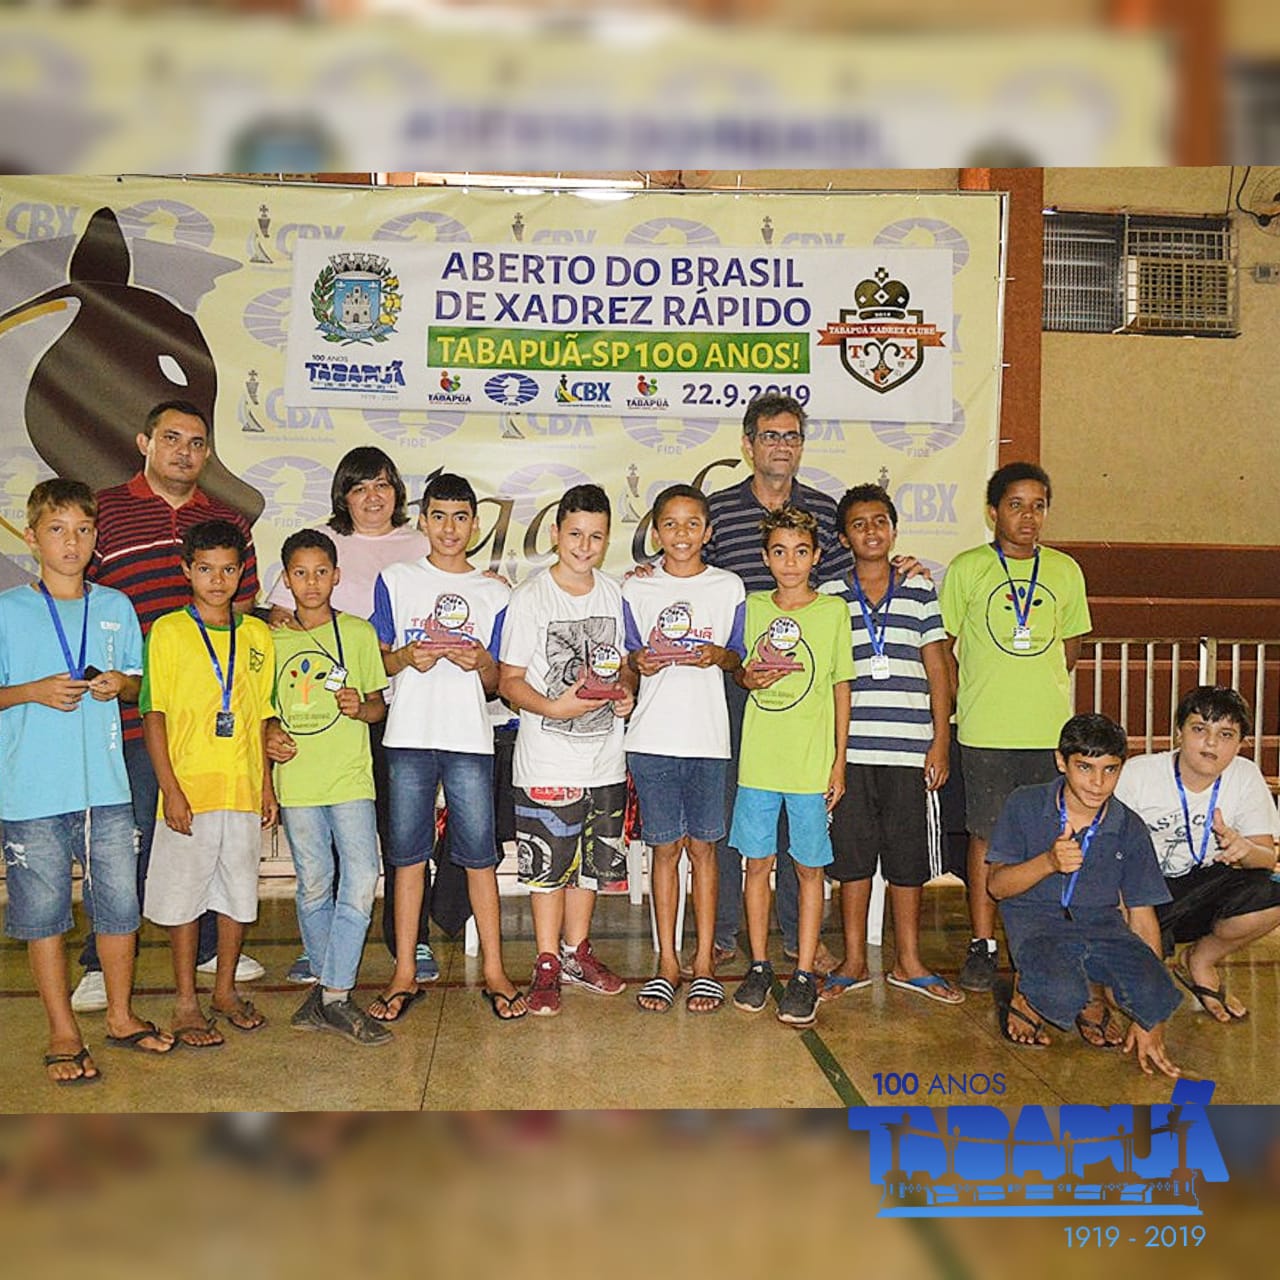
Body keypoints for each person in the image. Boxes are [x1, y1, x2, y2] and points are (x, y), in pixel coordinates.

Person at [72, 399, 263, 1015]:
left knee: (206, 841)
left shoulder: (228, 519)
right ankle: (101, 961)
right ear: (143, 442)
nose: (185, 451)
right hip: (127, 711)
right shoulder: (107, 510)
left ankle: (210, 950)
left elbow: (249, 612)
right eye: (172, 438)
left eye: (197, 442)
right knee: (123, 841)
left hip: (213, 726)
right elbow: (81, 594)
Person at [1, 480, 174, 1085]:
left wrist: (117, 685)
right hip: (31, 793)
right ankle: (62, 1030)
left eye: (82, 530)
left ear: (97, 538)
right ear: (32, 537)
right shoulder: (8, 610)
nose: (70, 542)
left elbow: (138, 681)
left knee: (120, 910)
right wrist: (31, 692)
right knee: (44, 915)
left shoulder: (115, 606)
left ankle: (122, 1018)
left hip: (107, 788)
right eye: (56, 529)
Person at [266, 446, 434, 986]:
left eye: (382, 485)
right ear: (343, 494)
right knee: (326, 846)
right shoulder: (322, 544)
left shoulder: (419, 543)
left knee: (401, 831)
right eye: (360, 486)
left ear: (397, 492)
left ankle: (413, 940)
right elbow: (279, 622)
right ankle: (325, 950)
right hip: (327, 720)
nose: (372, 496)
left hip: (405, 705)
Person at [368, 473, 527, 1022]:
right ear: (423, 520)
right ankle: (404, 973)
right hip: (408, 736)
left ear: (476, 525)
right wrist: (407, 658)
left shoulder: (495, 591)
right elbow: (379, 664)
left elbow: (494, 682)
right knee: (406, 858)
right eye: (439, 516)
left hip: (469, 739)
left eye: (461, 517)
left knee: (480, 858)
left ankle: (495, 972)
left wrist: (479, 660)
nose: (450, 528)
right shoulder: (396, 579)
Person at [702, 394, 852, 975]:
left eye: (791, 436)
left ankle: (799, 936)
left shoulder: (822, 510)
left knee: (802, 813)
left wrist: (897, 568)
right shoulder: (719, 510)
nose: (781, 446)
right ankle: (722, 932)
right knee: (735, 808)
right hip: (736, 685)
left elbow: (841, 588)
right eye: (770, 436)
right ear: (748, 445)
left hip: (806, 689)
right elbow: (692, 574)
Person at [939, 461, 1091, 993]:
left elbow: (1069, 648)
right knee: (986, 836)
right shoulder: (967, 569)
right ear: (992, 512)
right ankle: (982, 943)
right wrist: (972, 698)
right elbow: (946, 646)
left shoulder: (1066, 572)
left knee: (1051, 838)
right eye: (1016, 505)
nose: (1028, 517)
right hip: (984, 731)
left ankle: (1041, 941)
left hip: (1048, 732)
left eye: (1038, 505)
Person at [822, 484, 962, 1005]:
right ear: (843, 537)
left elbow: (938, 669)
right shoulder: (832, 596)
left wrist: (940, 741)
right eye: (859, 524)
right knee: (852, 860)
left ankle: (908, 960)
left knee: (907, 863)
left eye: (880, 521)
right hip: (852, 753)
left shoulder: (921, 590)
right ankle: (854, 959)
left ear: (895, 529)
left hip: (910, 753)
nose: (871, 531)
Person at [498, 484, 635, 1017]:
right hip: (547, 758)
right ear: (555, 534)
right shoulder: (529, 597)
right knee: (546, 868)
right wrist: (554, 709)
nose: (584, 545)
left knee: (593, 868)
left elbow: (622, 665)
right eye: (574, 534)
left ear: (606, 540)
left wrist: (625, 692)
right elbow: (509, 680)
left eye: (596, 536)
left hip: (605, 758)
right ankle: (548, 960)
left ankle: (579, 952)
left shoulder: (614, 593)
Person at [140, 519, 277, 1048]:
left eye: (227, 570)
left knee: (237, 897)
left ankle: (223, 991)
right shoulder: (168, 632)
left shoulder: (258, 635)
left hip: (241, 790)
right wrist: (170, 789)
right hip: (189, 794)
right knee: (183, 898)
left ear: (241, 572)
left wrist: (266, 786)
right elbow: (155, 715)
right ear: (186, 571)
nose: (217, 580)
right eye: (205, 570)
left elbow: (261, 716)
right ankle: (185, 1001)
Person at [986, 714, 1183, 1078]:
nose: (1097, 783)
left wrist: (1150, 1015)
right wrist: (1047, 862)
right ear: (1061, 762)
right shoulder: (1025, 804)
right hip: (1037, 922)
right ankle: (1028, 993)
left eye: (1110, 770)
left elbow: (1141, 917)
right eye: (1085, 767)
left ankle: (1088, 991)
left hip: (1101, 927)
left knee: (1157, 990)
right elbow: (996, 887)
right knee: (1059, 993)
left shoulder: (1130, 826)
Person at [623, 484, 746, 1014]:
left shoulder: (728, 587)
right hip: (651, 740)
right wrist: (639, 664)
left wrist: (720, 655)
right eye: (670, 524)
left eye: (692, 523)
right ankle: (666, 964)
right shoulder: (636, 590)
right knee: (664, 851)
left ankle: (703, 964)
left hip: (708, 739)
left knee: (705, 850)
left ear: (709, 532)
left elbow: (741, 658)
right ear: (655, 532)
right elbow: (626, 660)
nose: (681, 534)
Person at [267, 529, 391, 1046]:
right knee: (314, 884)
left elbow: (379, 704)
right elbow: (261, 711)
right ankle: (330, 994)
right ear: (286, 579)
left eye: (322, 571)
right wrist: (270, 733)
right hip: (297, 782)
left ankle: (333, 993)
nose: (312, 582)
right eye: (300, 572)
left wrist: (360, 708)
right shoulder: (270, 641)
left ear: (337, 576)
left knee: (362, 876)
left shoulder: (358, 634)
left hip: (349, 777)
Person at [730, 506, 853, 1027]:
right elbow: (737, 668)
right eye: (779, 552)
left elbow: (841, 687)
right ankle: (759, 965)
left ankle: (803, 972)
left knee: (808, 870)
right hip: (759, 764)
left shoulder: (832, 613)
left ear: (816, 556)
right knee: (757, 866)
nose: (790, 561)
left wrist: (838, 761)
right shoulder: (752, 606)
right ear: (765, 557)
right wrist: (746, 679)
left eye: (801, 551)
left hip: (809, 766)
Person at [1115, 686, 1280, 1023]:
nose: (1211, 743)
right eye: (1199, 729)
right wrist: (1125, 923)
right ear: (1178, 732)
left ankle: (1201, 960)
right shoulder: (1138, 775)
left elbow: (1266, 859)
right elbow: (1105, 859)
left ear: (1240, 743)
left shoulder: (1245, 776)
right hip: (1138, 893)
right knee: (1135, 991)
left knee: (1274, 888)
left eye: (1225, 734)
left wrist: (1245, 850)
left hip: (1202, 888)